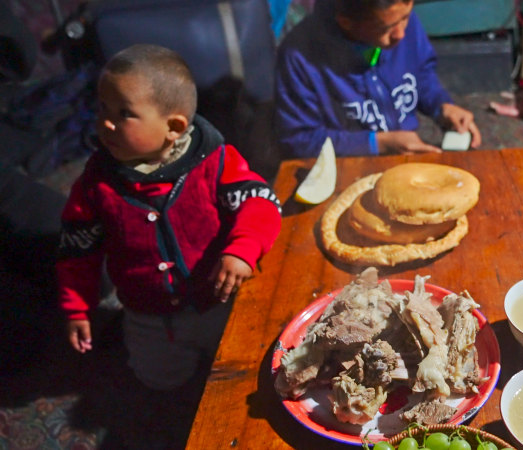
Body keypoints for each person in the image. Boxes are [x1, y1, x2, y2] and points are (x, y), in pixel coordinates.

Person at [56, 44, 282, 393]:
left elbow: (261, 201)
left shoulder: (215, 162)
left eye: (124, 113)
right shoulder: (95, 184)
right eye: (102, 107)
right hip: (148, 316)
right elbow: (77, 250)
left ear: (174, 127)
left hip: (218, 299)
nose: (105, 122)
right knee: (161, 380)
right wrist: (77, 308)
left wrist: (243, 249)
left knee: (246, 366)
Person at [274, 0, 482, 157]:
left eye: (406, 17)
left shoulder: (400, 20)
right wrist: (377, 143)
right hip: (347, 164)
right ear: (346, 22)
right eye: (385, 28)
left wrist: (441, 106)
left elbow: (422, 73)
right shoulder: (299, 57)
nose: (401, 34)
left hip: (405, 151)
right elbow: (298, 139)